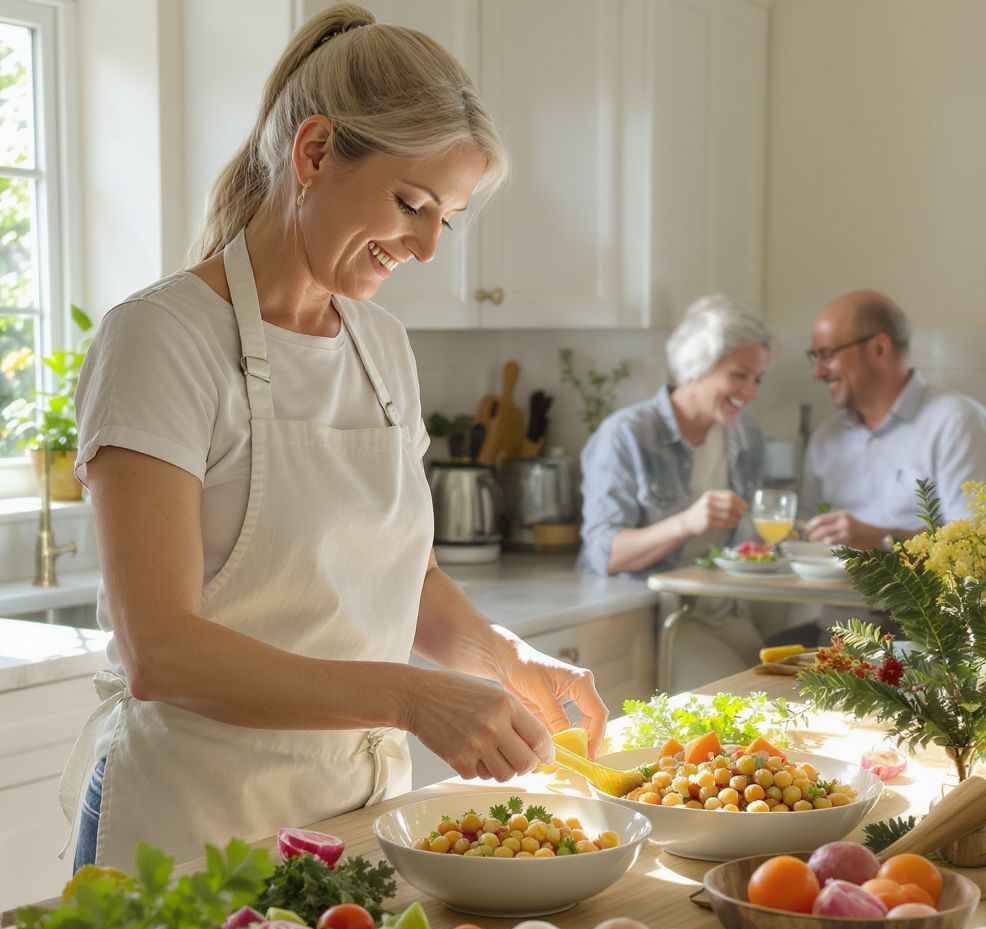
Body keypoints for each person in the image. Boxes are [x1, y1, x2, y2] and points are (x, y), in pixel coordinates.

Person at [62, 3, 607, 874]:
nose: (429, 247)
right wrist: (410, 697)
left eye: (447, 218)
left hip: (351, 826)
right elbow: (159, 650)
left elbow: (403, 582)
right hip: (192, 831)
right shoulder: (160, 339)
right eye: (412, 204)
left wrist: (508, 660)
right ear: (314, 153)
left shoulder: (381, 346)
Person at [577, 294, 772, 691]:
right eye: (739, 375)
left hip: (727, 611)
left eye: (757, 379)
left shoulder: (746, 435)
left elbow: (754, 541)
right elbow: (605, 552)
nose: (750, 392)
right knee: (746, 703)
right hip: (665, 618)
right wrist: (687, 521)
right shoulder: (627, 434)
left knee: (793, 695)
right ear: (696, 366)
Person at [802, 289, 986, 548]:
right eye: (816, 357)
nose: (818, 372)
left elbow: (981, 549)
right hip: (820, 590)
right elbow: (804, 534)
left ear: (879, 349)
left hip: (921, 591)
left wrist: (882, 540)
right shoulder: (826, 437)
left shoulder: (959, 425)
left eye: (827, 355)